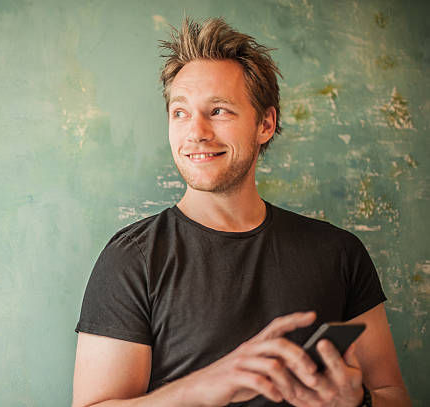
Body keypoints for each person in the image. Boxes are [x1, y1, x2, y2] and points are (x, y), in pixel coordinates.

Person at [71, 17, 411, 407]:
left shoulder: (340, 253)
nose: (196, 132)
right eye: (180, 112)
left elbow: (394, 396)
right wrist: (206, 386)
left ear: (265, 123)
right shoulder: (132, 258)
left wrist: (358, 403)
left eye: (218, 111)